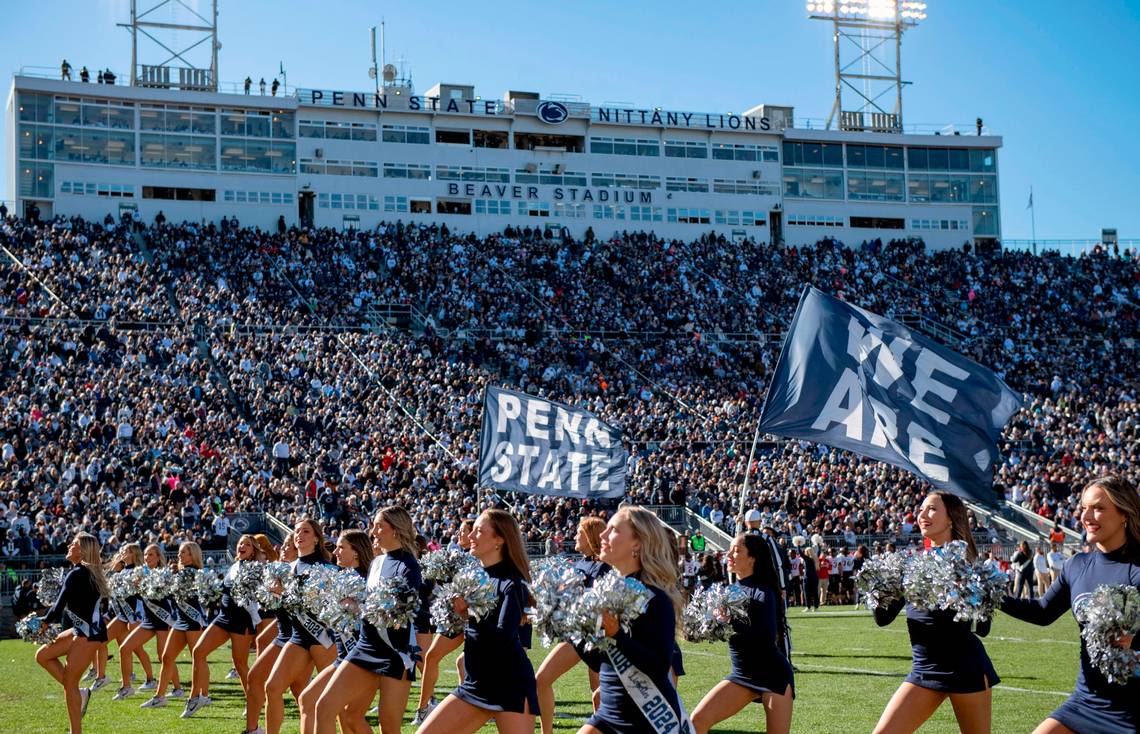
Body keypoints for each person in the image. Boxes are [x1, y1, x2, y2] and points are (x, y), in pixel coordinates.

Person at [1001, 476, 1140, 734]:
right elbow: (1042, 612)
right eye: (1084, 507)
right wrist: (992, 595)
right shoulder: (1076, 565)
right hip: (1085, 703)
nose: (1086, 516)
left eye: (1098, 508)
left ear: (1124, 513)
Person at [871, 491, 998, 734]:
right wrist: (879, 586)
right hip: (925, 669)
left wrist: (973, 593)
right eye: (921, 509)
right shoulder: (911, 564)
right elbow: (882, 618)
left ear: (951, 518)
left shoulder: (967, 564)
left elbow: (983, 628)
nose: (922, 515)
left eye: (931, 509)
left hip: (965, 669)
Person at [418, 509, 537, 734]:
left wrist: (469, 613)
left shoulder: (512, 583)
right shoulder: (476, 577)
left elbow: (504, 637)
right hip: (475, 684)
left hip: (509, 683)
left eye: (479, 531)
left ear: (499, 540)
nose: (471, 536)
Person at [576, 506, 688, 734]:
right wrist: (570, 628)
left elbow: (658, 666)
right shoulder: (609, 591)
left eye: (613, 530)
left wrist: (617, 635)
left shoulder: (655, 598)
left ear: (637, 543)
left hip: (647, 721)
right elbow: (599, 661)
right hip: (608, 715)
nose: (602, 536)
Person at [313, 509, 419, 734]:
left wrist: (360, 607)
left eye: (380, 526)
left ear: (396, 529)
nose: (374, 531)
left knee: (388, 726)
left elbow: (403, 610)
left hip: (395, 651)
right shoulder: (377, 562)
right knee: (326, 708)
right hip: (366, 646)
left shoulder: (409, 565)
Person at [691, 533, 794, 734]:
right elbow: (721, 630)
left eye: (736, 550)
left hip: (772, 675)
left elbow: (765, 636)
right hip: (742, 675)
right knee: (697, 721)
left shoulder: (764, 592)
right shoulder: (728, 590)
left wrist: (730, 621)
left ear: (752, 558)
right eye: (729, 549)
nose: (728, 554)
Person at [262, 519, 337, 734]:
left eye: (306, 531)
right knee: (273, 687)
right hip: (297, 637)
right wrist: (273, 594)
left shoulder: (328, 567)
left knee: (332, 700)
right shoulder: (288, 569)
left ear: (316, 538)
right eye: (297, 531)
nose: (299, 535)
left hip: (323, 637)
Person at [536, 516, 608, 734]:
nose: (575, 536)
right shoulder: (578, 563)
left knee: (600, 695)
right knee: (540, 680)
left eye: (579, 532)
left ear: (590, 536)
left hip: (599, 637)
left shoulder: (606, 566)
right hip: (577, 637)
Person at [298, 527, 373, 734]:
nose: (336, 552)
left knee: (352, 718)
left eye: (342, 547)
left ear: (356, 551)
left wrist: (356, 607)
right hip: (343, 656)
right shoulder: (339, 577)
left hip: (362, 658)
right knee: (309, 700)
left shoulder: (368, 579)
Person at [35, 533, 109, 734]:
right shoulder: (85, 572)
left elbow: (58, 607)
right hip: (82, 630)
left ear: (83, 551)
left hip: (89, 634)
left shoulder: (78, 573)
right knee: (43, 656)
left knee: (69, 683)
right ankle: (81, 693)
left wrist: (42, 623)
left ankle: (76, 731)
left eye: (74, 543)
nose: (69, 544)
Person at [188, 534, 262, 719]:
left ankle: (252, 701)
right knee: (198, 651)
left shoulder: (256, 568)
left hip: (241, 621)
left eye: (247, 544)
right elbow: (223, 590)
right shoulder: (234, 567)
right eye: (240, 544)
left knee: (240, 664)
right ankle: (199, 696)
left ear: (253, 550)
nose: (242, 546)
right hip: (223, 618)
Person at [243, 533, 306, 734]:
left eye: (289, 546)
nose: (284, 548)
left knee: (300, 691)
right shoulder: (279, 570)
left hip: (301, 638)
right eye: (285, 544)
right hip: (284, 635)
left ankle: (318, 723)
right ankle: (253, 730)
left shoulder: (299, 572)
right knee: (255, 678)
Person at [413, 518, 474, 721]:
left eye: (465, 531)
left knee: (470, 662)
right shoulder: (457, 556)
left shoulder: (483, 558)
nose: (460, 535)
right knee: (431, 657)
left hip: (479, 619)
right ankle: (424, 710)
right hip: (456, 617)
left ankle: (488, 706)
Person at [142, 542, 207, 708]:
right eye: (179, 552)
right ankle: (160, 696)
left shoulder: (192, 573)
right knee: (167, 656)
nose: (179, 555)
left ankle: (203, 695)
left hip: (192, 620)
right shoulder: (181, 572)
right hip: (181, 619)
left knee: (197, 659)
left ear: (192, 555)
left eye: (183, 553)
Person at [113, 544, 174, 699]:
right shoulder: (140, 573)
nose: (147, 558)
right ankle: (126, 687)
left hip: (161, 617)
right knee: (125, 648)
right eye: (146, 555)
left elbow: (168, 596)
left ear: (159, 557)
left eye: (151, 555)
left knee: (164, 656)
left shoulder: (164, 573)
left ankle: (177, 688)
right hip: (147, 620)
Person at [802, 546, 819, 611]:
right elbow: (819, 551)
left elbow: (800, 553)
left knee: (807, 592)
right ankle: (816, 607)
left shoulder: (806, 558)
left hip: (807, 577)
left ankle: (808, 607)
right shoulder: (815, 557)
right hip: (814, 577)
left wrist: (798, 544)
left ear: (807, 552)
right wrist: (818, 544)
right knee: (815, 592)